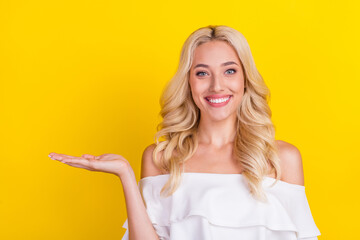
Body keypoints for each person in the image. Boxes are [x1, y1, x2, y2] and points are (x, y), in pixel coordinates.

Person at [48, 25, 321, 240]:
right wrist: (125, 174)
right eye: (202, 73)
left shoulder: (282, 159)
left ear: (245, 79)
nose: (217, 86)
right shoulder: (161, 158)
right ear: (188, 82)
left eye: (229, 71)